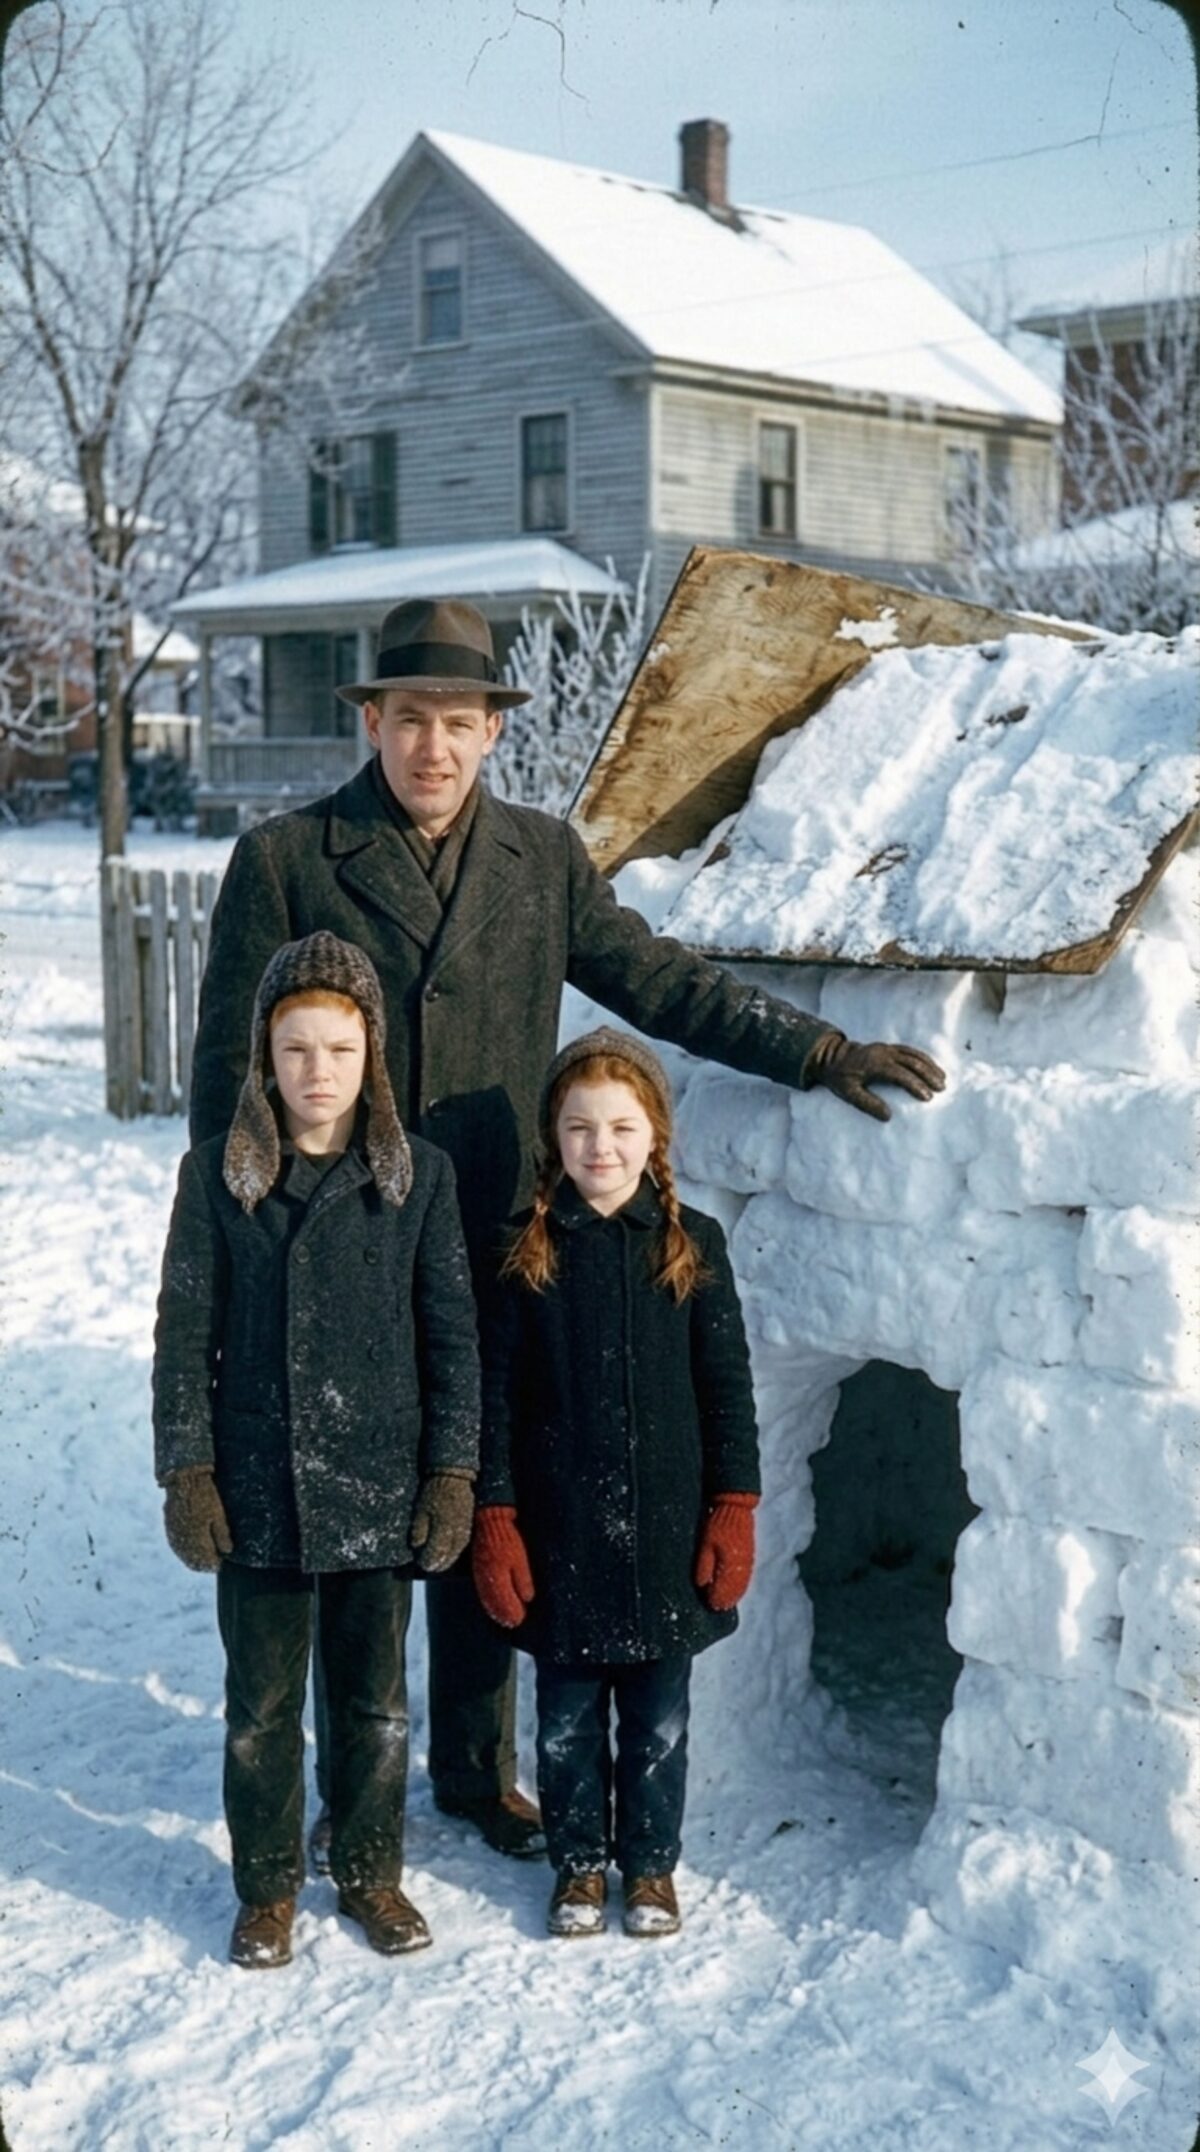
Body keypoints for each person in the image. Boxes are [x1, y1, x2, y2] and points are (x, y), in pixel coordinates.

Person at [188, 596, 945, 1865]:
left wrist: (814, 1048)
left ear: (495, 733)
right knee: (339, 1523)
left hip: (488, 1235)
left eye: (462, 721)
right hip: (337, 1248)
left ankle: (474, 1771)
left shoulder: (541, 860)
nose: (435, 746)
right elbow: (224, 1079)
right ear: (372, 720)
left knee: (485, 1492)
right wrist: (233, 1246)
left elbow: (658, 980)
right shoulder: (286, 858)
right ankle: (342, 1786)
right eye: (412, 718)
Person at [154, 931, 480, 1968]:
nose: (317, 1073)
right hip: (258, 1488)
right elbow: (183, 1332)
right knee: (259, 1706)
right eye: (296, 1050)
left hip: (377, 1488)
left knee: (376, 1701)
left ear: (371, 1055)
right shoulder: (217, 1176)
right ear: (264, 1055)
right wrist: (189, 1470)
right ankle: (266, 1885)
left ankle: (371, 1869)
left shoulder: (416, 1178)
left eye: (339, 1050)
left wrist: (452, 1470)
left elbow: (452, 1334)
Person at [471, 1027, 759, 1939]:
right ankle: (579, 1866)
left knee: (658, 1723)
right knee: (563, 1723)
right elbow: (495, 1399)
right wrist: (496, 1516)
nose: (603, 1147)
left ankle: (650, 1868)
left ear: (655, 1137)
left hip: (667, 1537)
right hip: (559, 1540)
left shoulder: (691, 1244)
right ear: (554, 1139)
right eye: (581, 1127)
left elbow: (728, 1387)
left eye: (623, 1127)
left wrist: (733, 1506)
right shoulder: (525, 1251)